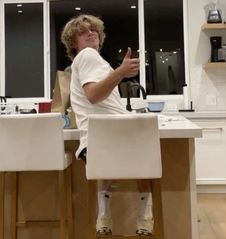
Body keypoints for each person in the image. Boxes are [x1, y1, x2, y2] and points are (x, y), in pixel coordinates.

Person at [61, 14, 154, 236]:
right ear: (74, 43)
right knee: (147, 158)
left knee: (109, 159)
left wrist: (117, 73)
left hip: (96, 144)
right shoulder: (88, 55)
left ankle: (104, 217)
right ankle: (146, 216)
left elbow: (96, 97)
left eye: (94, 30)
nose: (91, 32)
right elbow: (93, 95)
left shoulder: (92, 61)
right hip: (109, 139)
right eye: (83, 32)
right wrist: (121, 72)